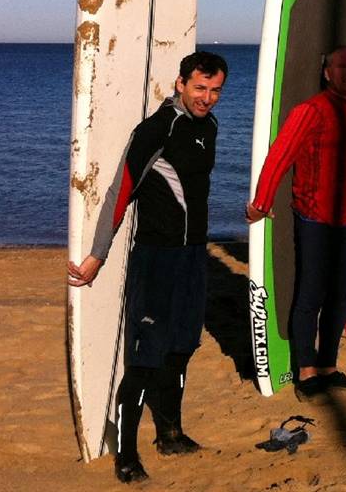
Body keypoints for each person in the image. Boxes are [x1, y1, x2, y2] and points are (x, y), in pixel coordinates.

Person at [67, 50, 228, 485]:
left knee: (181, 349)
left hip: (193, 257)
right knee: (144, 359)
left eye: (215, 91)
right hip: (155, 260)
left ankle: (171, 434)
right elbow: (121, 192)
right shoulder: (157, 129)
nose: (207, 98)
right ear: (180, 84)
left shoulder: (208, 127)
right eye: (200, 88)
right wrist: (98, 255)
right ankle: (126, 454)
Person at [245, 45, 346, 399]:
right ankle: (306, 371)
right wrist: (261, 202)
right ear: (327, 72)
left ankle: (329, 366)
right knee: (311, 295)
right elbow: (279, 156)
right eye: (341, 65)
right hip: (315, 219)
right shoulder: (311, 111)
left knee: (343, 294)